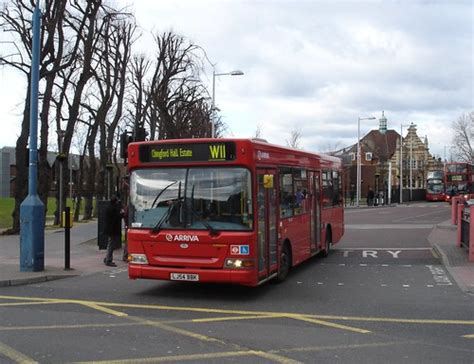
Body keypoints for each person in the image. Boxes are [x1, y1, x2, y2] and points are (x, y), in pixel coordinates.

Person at [104, 196, 122, 267]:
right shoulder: (114, 209)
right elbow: (118, 217)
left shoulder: (108, 208)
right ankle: (108, 259)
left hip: (109, 229)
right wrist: (122, 214)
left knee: (110, 244)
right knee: (111, 245)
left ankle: (107, 258)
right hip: (113, 230)